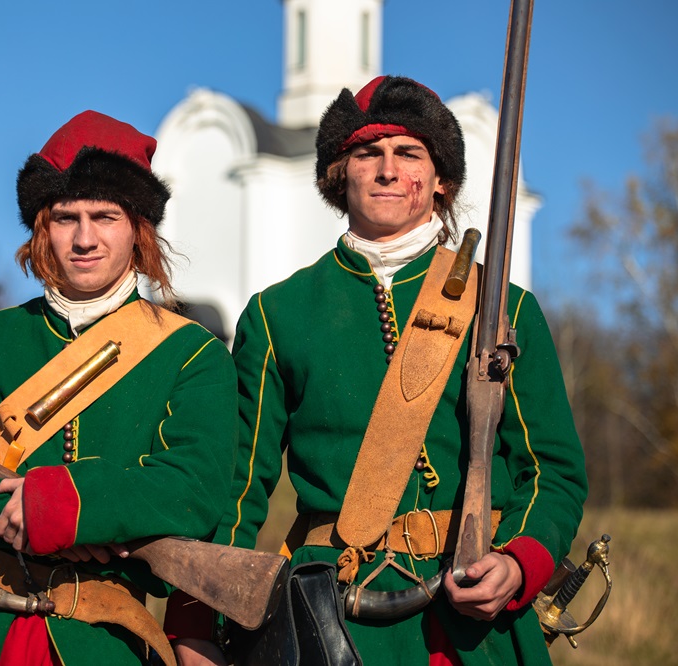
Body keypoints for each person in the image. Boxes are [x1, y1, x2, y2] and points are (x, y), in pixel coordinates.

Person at [172, 75, 588, 665]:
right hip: (331, 616)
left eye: (408, 153)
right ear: (341, 176)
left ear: (440, 179)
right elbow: (236, 489)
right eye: (368, 153)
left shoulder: (503, 308)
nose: (388, 170)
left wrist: (519, 563)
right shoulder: (277, 314)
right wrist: (198, 622)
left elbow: (553, 470)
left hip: (472, 623)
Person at [0, 110, 238, 666]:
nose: (84, 238)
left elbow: (192, 492)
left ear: (138, 228)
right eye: (65, 218)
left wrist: (63, 505)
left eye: (105, 216)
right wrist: (33, 512)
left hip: (106, 636)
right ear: (41, 230)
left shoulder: (192, 354)